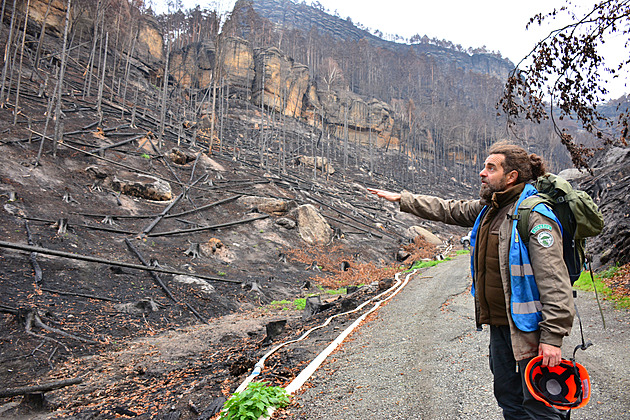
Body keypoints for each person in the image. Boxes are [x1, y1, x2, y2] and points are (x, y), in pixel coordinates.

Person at [368, 142, 575, 420]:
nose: (482, 173)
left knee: (540, 405)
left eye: (491, 168)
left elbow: (555, 281)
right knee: (509, 399)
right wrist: (402, 199)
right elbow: (448, 209)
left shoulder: (534, 215)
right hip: (502, 327)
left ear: (511, 176)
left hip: (531, 331)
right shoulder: (490, 208)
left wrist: (552, 337)